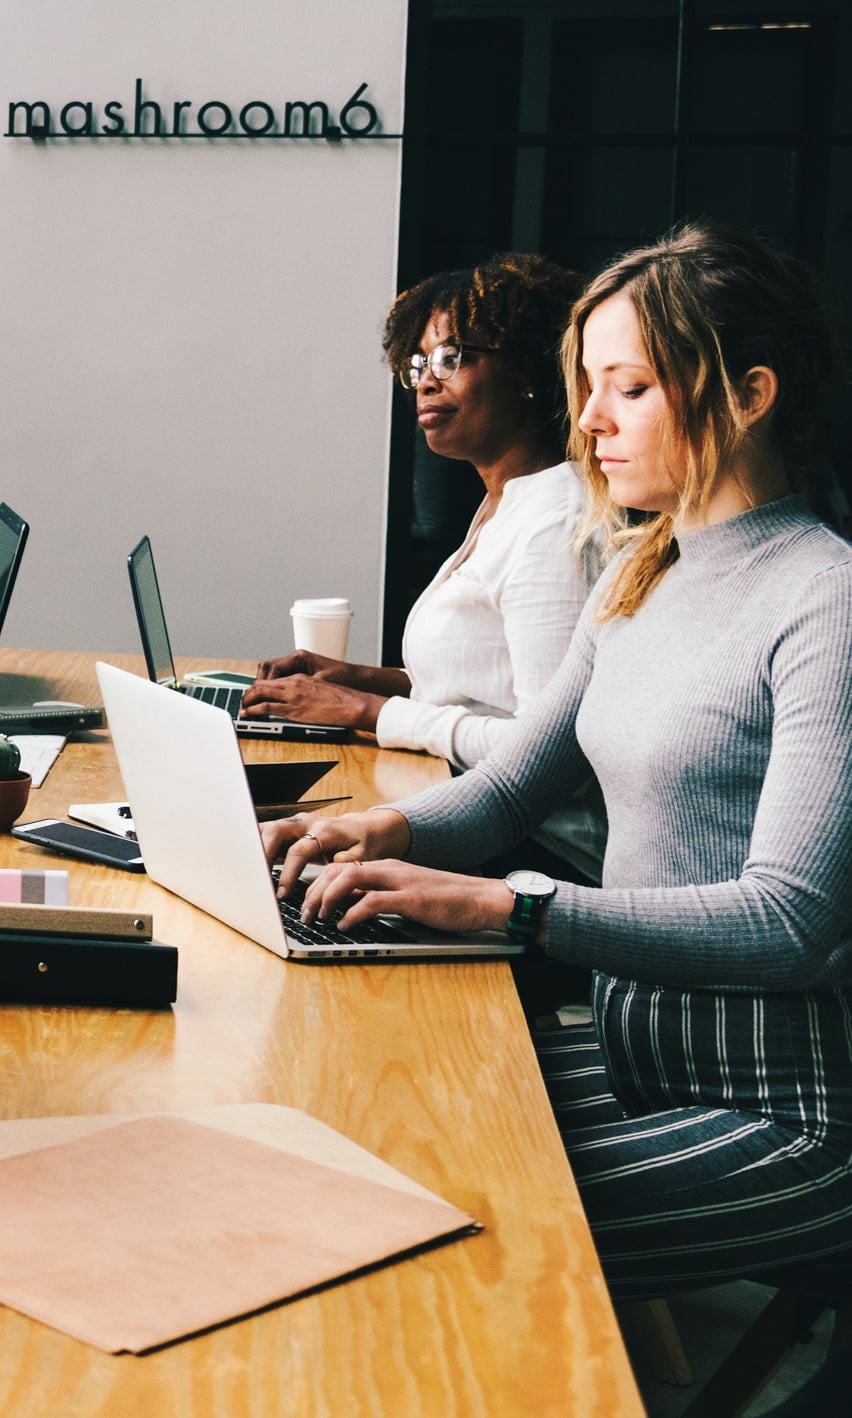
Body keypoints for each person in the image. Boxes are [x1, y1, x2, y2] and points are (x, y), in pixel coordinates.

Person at [262, 221, 852, 1298]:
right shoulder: (643, 568)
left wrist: (505, 906)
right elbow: (509, 787)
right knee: (343, 1147)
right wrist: (370, 830)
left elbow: (788, 921)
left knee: (436, 1249)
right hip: (636, 1057)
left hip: (785, 1107)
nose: (586, 419)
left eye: (626, 388)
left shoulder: (827, 596)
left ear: (749, 393)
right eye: (588, 384)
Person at [243, 253, 606, 883]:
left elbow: (546, 755)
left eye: (450, 358)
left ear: (524, 369)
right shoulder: (505, 502)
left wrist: (363, 709)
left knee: (270, 864)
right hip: (469, 811)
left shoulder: (554, 521)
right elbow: (484, 686)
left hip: (538, 855)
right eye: (417, 364)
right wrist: (366, 679)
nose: (425, 382)